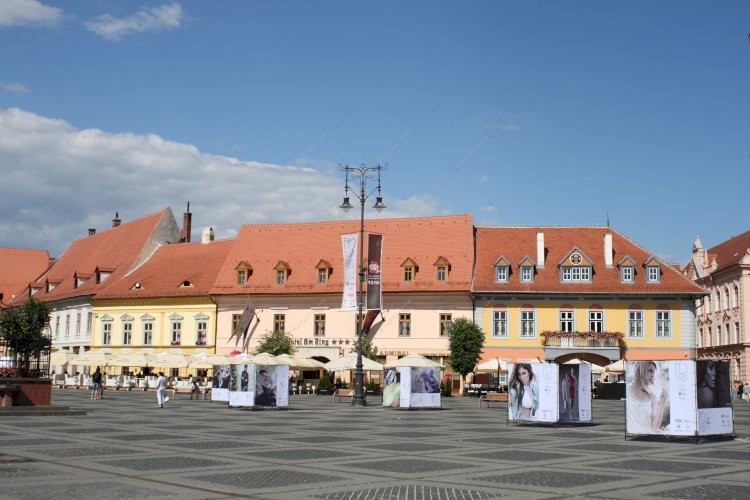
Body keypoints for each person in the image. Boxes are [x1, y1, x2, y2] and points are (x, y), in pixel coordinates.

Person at [626, 361, 668, 434]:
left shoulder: (652, 397)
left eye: (654, 372)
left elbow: (654, 428)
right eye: (650, 371)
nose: (653, 375)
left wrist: (662, 401)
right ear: (639, 371)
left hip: (645, 440)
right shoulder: (626, 390)